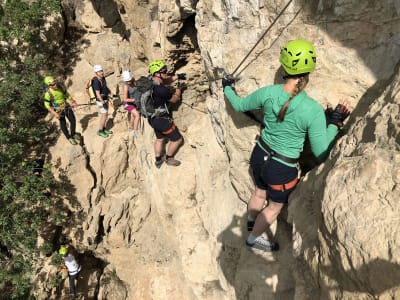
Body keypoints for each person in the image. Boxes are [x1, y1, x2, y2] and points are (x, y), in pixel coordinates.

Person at [222, 39, 351, 252]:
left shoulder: (268, 93)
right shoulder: (312, 110)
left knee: (259, 192)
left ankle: (251, 222)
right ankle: (253, 239)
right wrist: (335, 123)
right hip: (282, 169)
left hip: (260, 153)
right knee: (273, 207)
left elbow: (239, 105)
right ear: (310, 70)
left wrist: (227, 87)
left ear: (284, 65)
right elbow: (321, 152)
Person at [148, 60, 186, 168]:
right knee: (177, 139)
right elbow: (174, 99)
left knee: (160, 139)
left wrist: (177, 76)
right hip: (162, 120)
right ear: (157, 73)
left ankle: (158, 160)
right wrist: (179, 89)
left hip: (152, 118)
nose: (166, 72)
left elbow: (166, 80)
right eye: (163, 71)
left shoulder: (150, 81)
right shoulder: (161, 90)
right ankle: (169, 158)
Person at [43, 76, 79, 145]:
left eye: (55, 83)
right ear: (49, 85)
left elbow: (66, 94)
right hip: (58, 109)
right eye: (53, 84)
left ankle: (73, 134)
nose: (55, 85)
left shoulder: (60, 87)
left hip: (65, 105)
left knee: (72, 120)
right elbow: (47, 105)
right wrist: (55, 113)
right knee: (63, 124)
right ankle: (69, 138)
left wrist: (73, 101)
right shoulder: (48, 93)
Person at [92, 64, 113, 138]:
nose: (101, 72)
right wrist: (102, 102)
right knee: (104, 115)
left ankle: (104, 128)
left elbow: (105, 86)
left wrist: (110, 92)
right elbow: (97, 94)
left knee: (106, 114)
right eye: (99, 71)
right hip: (100, 100)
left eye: (101, 70)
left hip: (105, 98)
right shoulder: (96, 82)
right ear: (96, 73)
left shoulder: (103, 78)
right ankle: (100, 130)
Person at [121, 70, 141, 138]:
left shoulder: (133, 81)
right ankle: (135, 132)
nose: (129, 82)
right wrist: (135, 100)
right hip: (126, 104)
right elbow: (125, 99)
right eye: (127, 81)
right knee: (137, 115)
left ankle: (131, 127)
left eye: (129, 80)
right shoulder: (126, 86)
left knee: (133, 115)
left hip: (133, 102)